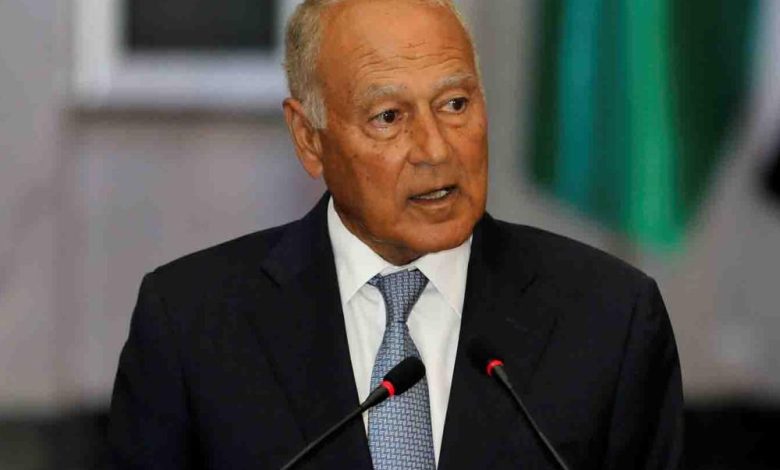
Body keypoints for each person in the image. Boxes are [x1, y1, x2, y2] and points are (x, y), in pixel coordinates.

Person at [108, 0, 684, 468]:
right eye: (389, 117)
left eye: (455, 104)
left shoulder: (612, 318)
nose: (435, 149)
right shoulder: (190, 324)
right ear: (309, 138)